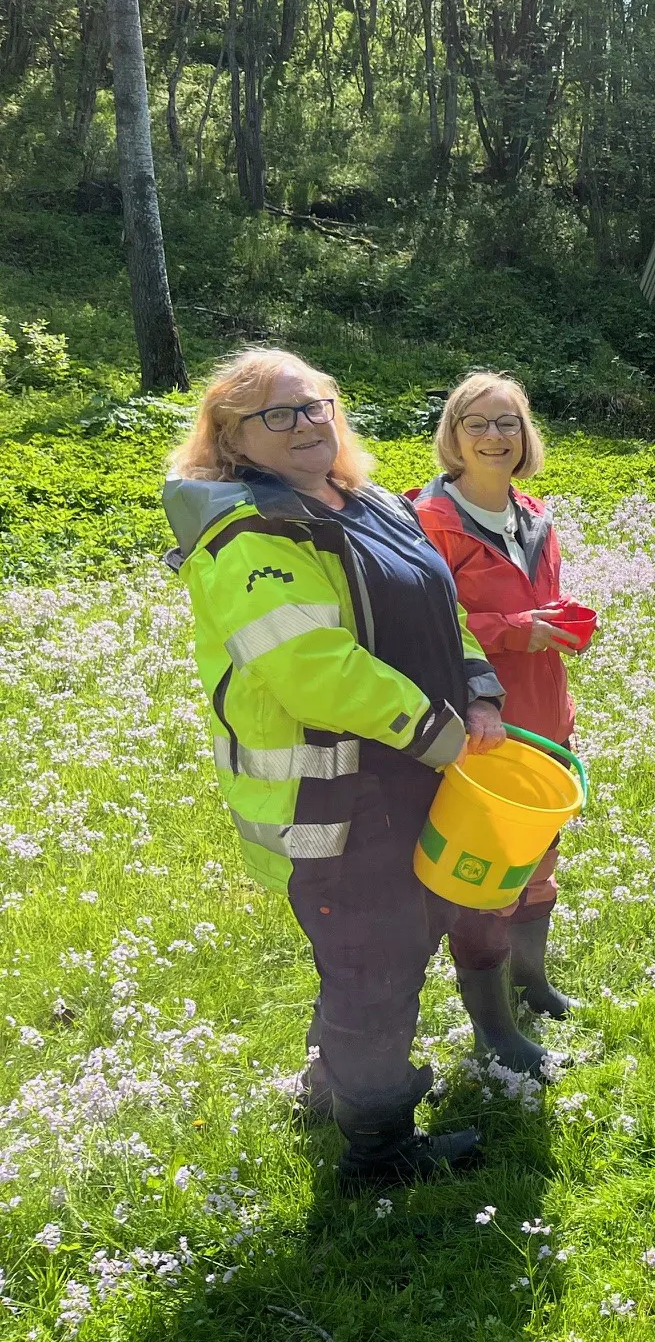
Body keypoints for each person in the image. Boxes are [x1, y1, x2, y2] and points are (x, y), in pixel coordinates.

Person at [163, 348, 508, 1189]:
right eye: (277, 414)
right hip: (338, 795)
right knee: (373, 963)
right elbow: (310, 666)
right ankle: (379, 1152)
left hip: (410, 777)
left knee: (376, 950)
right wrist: (437, 731)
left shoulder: (369, 502)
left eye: (316, 404)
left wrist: (479, 689)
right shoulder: (251, 532)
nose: (307, 423)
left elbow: (439, 608)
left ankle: (330, 1089)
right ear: (231, 437)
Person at [411, 372, 582, 1074]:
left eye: (508, 422)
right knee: (484, 874)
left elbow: (536, 605)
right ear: (452, 434)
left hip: (545, 719)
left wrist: (560, 625)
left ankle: (531, 979)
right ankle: (494, 1030)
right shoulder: (427, 521)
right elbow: (424, 630)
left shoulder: (534, 514)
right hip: (477, 728)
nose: (493, 436)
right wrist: (517, 629)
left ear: (525, 436)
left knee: (539, 856)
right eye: (476, 422)